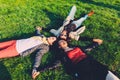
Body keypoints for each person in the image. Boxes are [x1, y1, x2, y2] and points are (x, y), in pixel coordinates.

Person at [36, 38, 119, 80]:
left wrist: (97, 43)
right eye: (60, 42)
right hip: (82, 67)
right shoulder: (62, 55)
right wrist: (39, 70)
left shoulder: (76, 47)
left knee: (107, 73)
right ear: (59, 46)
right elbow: (54, 64)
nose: (62, 42)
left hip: (91, 62)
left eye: (63, 40)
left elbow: (87, 48)